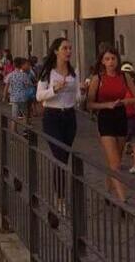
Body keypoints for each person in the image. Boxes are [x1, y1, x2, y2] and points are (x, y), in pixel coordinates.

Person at [37, 37, 87, 210]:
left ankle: (59, 194)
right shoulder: (48, 73)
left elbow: (77, 98)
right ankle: (60, 199)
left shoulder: (74, 73)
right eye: (65, 48)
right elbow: (39, 96)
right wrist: (54, 90)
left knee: (64, 159)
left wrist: (82, 92)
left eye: (70, 48)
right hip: (52, 117)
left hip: (69, 118)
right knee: (59, 157)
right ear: (56, 51)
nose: (69, 51)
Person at [87, 52, 135, 201]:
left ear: (117, 60)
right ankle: (123, 200)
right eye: (107, 59)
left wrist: (123, 102)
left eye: (113, 59)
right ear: (102, 62)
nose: (110, 62)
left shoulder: (125, 77)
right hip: (105, 118)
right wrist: (107, 105)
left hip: (121, 117)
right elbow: (89, 103)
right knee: (116, 164)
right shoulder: (97, 78)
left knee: (115, 160)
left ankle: (108, 191)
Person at [4, 57, 33, 129]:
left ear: (14, 65)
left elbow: (6, 87)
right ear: (21, 65)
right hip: (23, 98)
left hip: (14, 98)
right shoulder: (24, 75)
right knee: (25, 115)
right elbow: (29, 85)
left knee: (14, 116)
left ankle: (14, 132)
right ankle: (25, 130)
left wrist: (4, 96)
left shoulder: (10, 75)